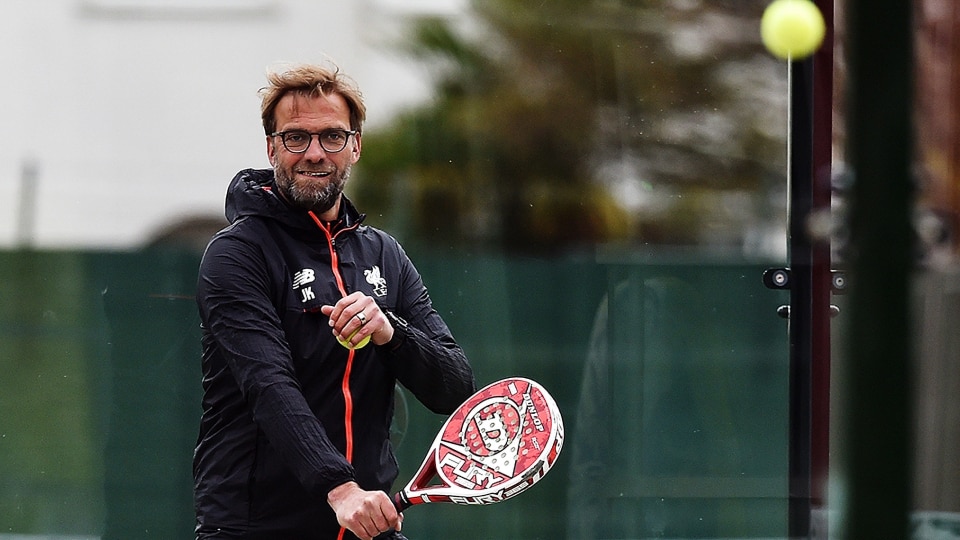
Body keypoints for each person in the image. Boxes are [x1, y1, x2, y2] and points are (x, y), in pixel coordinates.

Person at [193, 63, 476, 540]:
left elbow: (456, 387)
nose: (314, 154)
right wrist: (340, 489)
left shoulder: (384, 253)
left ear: (355, 146)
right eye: (295, 138)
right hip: (255, 528)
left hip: (367, 525)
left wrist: (390, 331)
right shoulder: (236, 254)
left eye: (332, 137)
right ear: (271, 148)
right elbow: (269, 386)